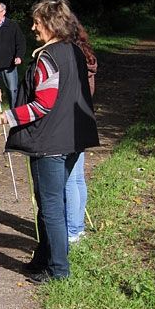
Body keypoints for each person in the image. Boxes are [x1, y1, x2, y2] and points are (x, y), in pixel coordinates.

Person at [0, 0, 99, 283]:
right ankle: (43, 259)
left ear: (51, 24)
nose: (33, 27)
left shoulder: (48, 57)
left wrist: (1, 118)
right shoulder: (74, 51)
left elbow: (43, 104)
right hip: (70, 139)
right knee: (49, 205)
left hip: (51, 143)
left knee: (51, 206)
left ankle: (58, 270)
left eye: (37, 22)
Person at [65, 17, 97, 244]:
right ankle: (78, 226)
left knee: (70, 179)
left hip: (71, 121)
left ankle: (72, 230)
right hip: (82, 120)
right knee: (77, 177)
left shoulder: (72, 57)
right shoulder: (86, 54)